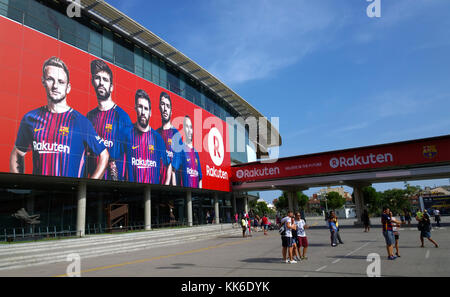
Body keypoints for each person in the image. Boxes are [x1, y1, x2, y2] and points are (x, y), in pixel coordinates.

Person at [10, 56, 109, 178]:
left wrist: (89, 186)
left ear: (68, 88)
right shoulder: (30, 118)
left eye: (61, 82)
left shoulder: (81, 122)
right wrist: (20, 184)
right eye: (50, 79)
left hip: (70, 195)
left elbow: (104, 155)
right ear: (43, 81)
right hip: (38, 194)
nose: (55, 86)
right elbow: (17, 153)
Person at [86, 59, 132, 181]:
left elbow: (130, 155)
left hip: (114, 185)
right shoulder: (89, 116)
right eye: (97, 78)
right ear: (92, 82)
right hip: (91, 184)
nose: (101, 83)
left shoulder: (122, 117)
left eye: (105, 79)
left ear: (111, 87)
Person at [127, 89, 171, 184]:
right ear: (135, 108)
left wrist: (166, 185)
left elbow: (168, 164)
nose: (143, 112)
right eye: (140, 107)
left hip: (152, 193)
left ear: (150, 112)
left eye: (146, 108)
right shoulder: (126, 133)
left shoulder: (157, 138)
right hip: (129, 191)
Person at [157, 92, 182, 185]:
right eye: (162, 104)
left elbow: (177, 162)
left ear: (171, 111)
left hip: (171, 183)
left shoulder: (176, 134)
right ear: (159, 108)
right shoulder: (155, 134)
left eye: (167, 106)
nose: (165, 109)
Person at [178, 116, 202, 188]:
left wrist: (200, 192)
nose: (189, 130)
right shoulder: (180, 149)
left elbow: (200, 178)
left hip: (196, 194)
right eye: (187, 127)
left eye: (191, 127)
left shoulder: (195, 152)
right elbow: (173, 170)